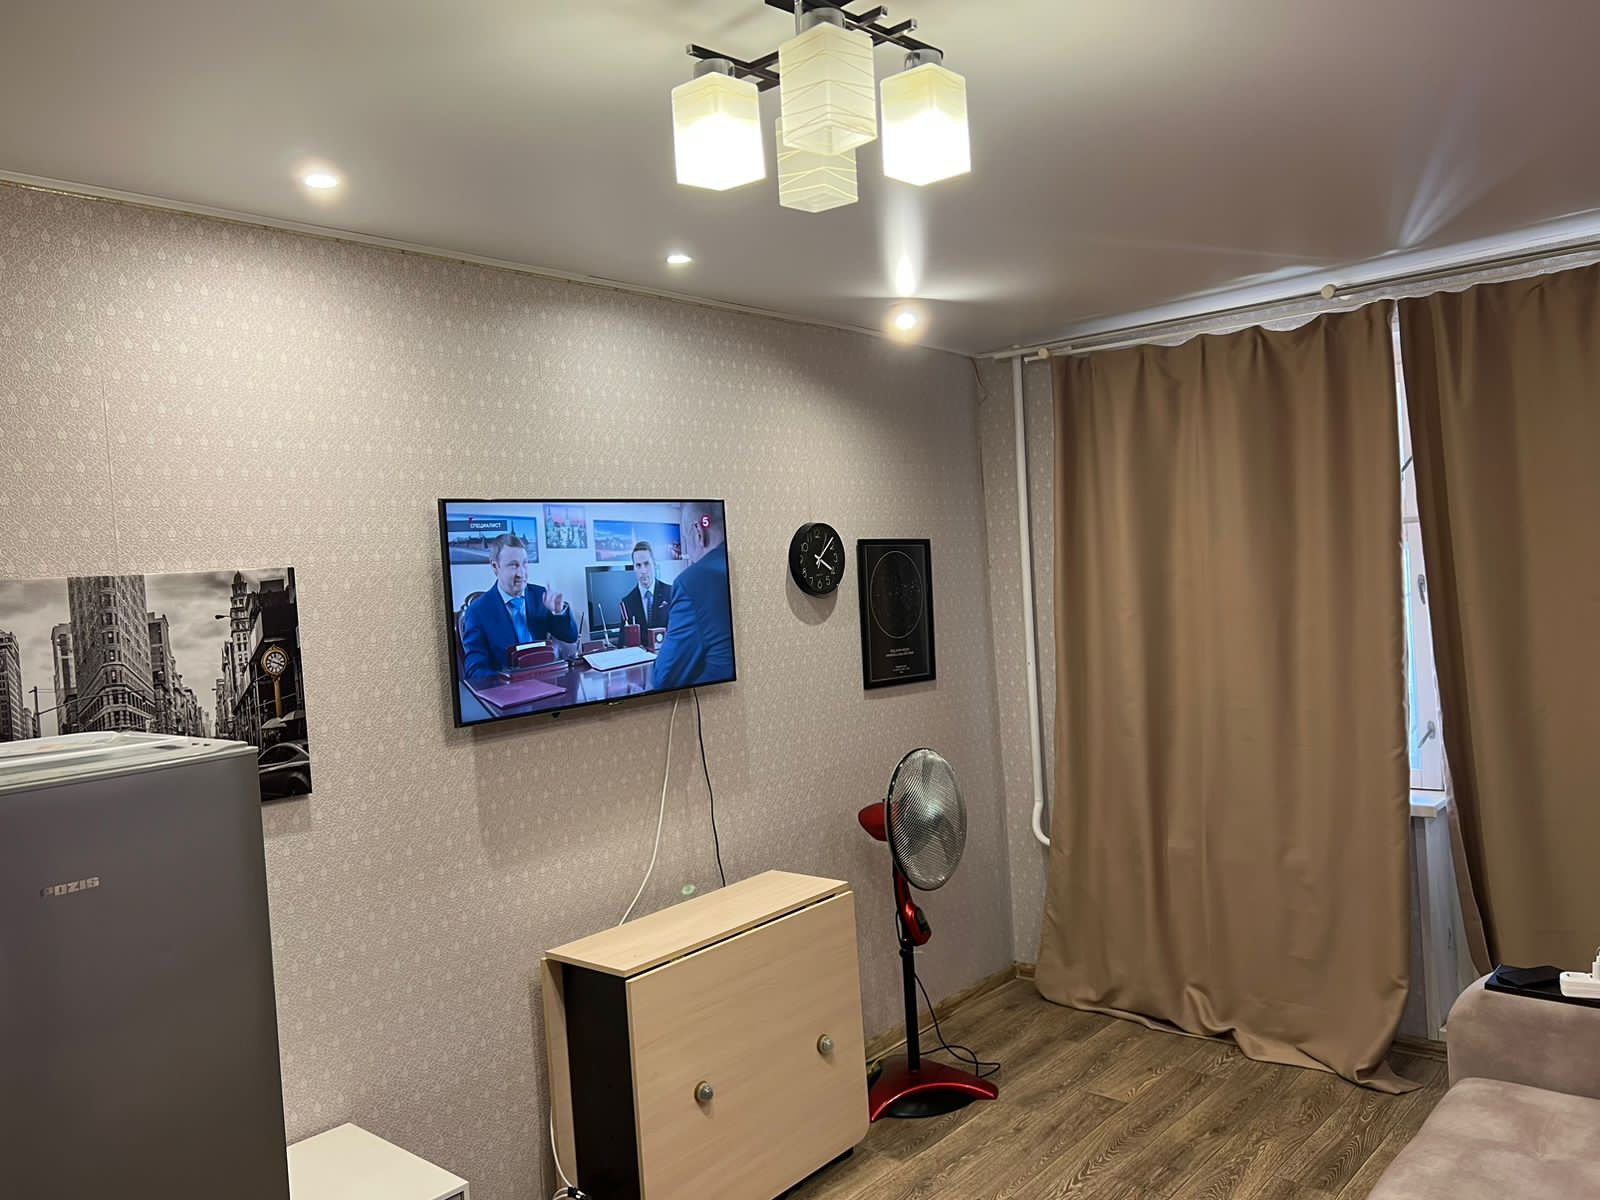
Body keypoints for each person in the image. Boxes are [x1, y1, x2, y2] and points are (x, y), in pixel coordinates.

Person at [459, 533, 577, 681]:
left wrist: (558, 612)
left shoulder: (540, 596)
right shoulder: (477, 611)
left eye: (524, 563)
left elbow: (570, 637)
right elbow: (475, 670)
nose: (521, 573)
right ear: (495, 566)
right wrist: (508, 681)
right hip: (506, 689)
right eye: (513, 565)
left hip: (546, 682)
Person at [651, 502, 734, 691]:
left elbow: (664, 678)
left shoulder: (692, 581)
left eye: (685, 538)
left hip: (715, 699)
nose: (686, 550)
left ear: (698, 532)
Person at [619, 541, 672, 636]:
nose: (643, 571)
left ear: (654, 564)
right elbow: (623, 641)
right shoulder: (627, 603)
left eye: (646, 564)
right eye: (638, 565)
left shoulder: (671, 593)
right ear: (634, 568)